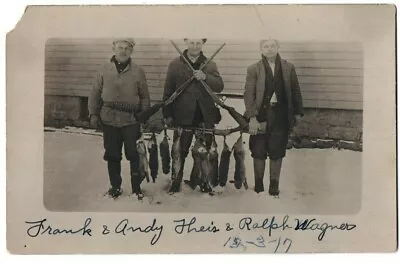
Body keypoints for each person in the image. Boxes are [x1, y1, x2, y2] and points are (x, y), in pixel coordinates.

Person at [88, 39, 151, 200]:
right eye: (120, 47)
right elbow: (95, 93)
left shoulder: (138, 71)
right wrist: (93, 114)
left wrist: (144, 115)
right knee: (113, 155)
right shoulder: (103, 70)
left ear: (131, 50)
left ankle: (136, 188)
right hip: (109, 120)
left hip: (131, 120)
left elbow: (144, 96)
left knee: (134, 155)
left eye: (127, 48)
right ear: (113, 48)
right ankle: (115, 187)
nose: (123, 51)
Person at [162, 38, 224, 193]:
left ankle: (202, 181)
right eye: (191, 43)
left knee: (204, 152)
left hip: (204, 115)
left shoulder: (210, 64)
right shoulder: (175, 64)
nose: (195, 46)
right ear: (186, 43)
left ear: (202, 44)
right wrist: (167, 114)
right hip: (182, 115)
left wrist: (205, 77)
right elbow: (168, 91)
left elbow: (220, 86)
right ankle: (176, 182)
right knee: (178, 152)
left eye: (198, 43)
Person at [243, 39, 304, 196]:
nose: (269, 49)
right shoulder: (253, 69)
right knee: (258, 149)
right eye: (265, 46)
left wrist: (297, 113)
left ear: (278, 47)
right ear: (261, 49)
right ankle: (258, 186)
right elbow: (248, 95)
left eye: (272, 46)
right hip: (261, 114)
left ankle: (274, 186)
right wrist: (252, 117)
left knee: (277, 150)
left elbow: (295, 90)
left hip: (280, 115)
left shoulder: (288, 67)